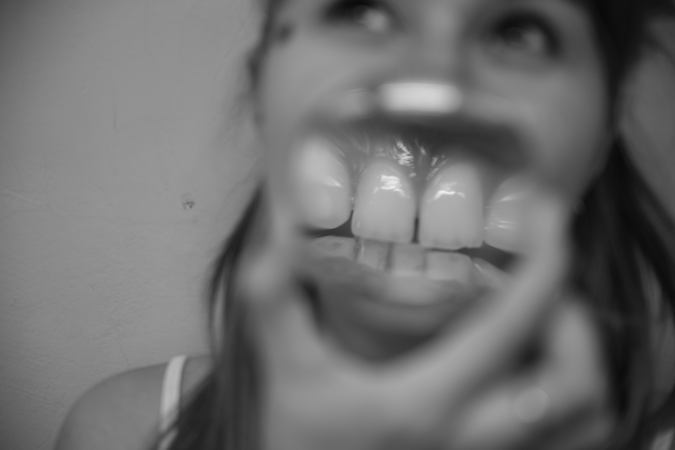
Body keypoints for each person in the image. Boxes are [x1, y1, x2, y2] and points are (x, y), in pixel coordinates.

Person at [55, 0, 675, 449]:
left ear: (604, 131)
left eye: (521, 30)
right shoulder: (117, 433)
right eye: (361, 9)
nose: (432, 78)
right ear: (262, 90)